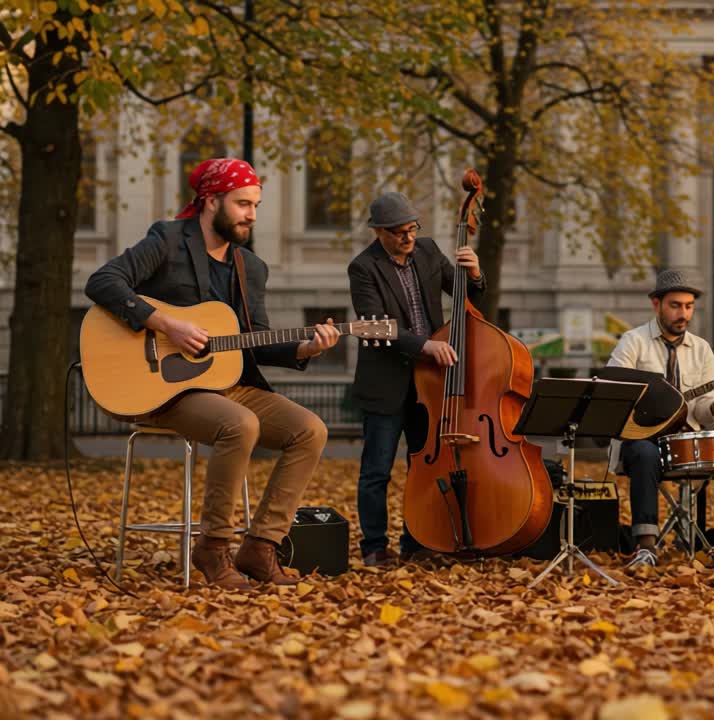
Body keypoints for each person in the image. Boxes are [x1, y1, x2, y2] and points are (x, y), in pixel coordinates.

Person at [85, 158, 340, 589]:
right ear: (210, 201)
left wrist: (305, 347)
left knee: (310, 429)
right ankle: (213, 546)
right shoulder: (167, 240)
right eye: (242, 204)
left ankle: (260, 547)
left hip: (229, 385)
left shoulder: (251, 268)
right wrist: (166, 325)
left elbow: (255, 339)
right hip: (163, 389)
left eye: (256, 205)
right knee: (239, 424)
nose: (251, 216)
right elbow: (104, 281)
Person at [347, 192, 485, 566]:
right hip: (386, 383)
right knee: (377, 471)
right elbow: (377, 326)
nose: (408, 238)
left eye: (411, 230)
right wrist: (425, 345)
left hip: (430, 382)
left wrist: (473, 274)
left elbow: (465, 298)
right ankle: (374, 547)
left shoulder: (427, 251)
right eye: (398, 233)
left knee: (423, 467)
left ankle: (417, 541)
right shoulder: (363, 268)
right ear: (378, 232)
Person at [607, 270, 714, 568]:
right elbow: (614, 389)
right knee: (644, 454)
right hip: (643, 440)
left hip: (689, 444)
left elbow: (703, 411)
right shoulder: (633, 342)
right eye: (675, 305)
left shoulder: (701, 350)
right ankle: (646, 545)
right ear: (656, 304)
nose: (682, 313)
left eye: (688, 306)